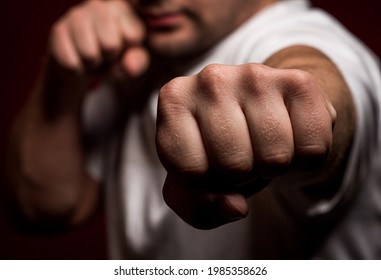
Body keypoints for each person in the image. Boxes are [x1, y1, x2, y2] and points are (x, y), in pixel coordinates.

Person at [6, 0, 381, 259]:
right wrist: (64, 72)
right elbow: (44, 206)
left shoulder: (303, 38)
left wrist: (296, 108)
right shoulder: (148, 51)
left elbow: (316, 80)